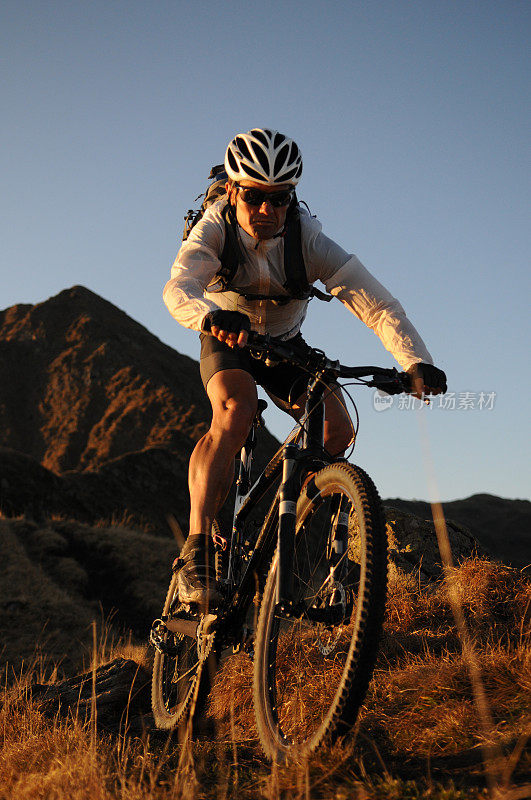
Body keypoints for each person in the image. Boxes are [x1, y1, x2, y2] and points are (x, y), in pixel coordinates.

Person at [163, 128, 446, 606]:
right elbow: (178, 288)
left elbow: (375, 303)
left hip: (286, 344)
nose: (267, 211)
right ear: (233, 190)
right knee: (235, 408)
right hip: (227, 338)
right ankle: (196, 551)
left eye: (280, 199)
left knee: (338, 431)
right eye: (254, 197)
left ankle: (275, 540)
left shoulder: (308, 238)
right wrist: (211, 314)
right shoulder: (214, 228)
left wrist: (416, 361)